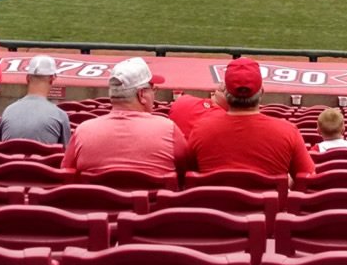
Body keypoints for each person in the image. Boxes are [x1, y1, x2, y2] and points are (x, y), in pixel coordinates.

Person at [186, 57, 314, 179]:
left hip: (213, 202)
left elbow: (187, 176)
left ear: (225, 93)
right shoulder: (287, 131)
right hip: (270, 201)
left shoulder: (201, 129)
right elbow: (308, 179)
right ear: (261, 92)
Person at [62, 57, 187, 174]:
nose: (154, 94)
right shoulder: (168, 130)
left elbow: (65, 175)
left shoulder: (83, 132)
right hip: (152, 197)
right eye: (152, 89)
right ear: (141, 94)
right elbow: (187, 174)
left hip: (97, 198)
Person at [0, 55, 71, 145]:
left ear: (27, 78)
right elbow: (66, 154)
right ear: (52, 79)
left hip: (10, 159)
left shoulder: (8, 111)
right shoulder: (59, 115)